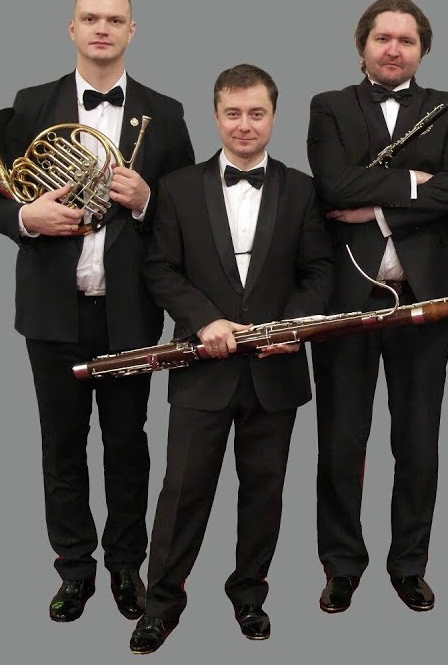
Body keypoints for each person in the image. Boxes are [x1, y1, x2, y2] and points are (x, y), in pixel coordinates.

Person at [0, 0, 194, 623]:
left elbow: (188, 214)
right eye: (90, 18)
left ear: (132, 31)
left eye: (114, 19)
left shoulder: (165, 112)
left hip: (129, 311)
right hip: (52, 312)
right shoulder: (30, 103)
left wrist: (147, 201)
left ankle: (126, 565)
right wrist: (27, 216)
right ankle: (74, 569)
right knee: (61, 445)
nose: (102, 28)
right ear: (71, 28)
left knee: (127, 444)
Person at [129, 65, 333, 654]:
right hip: (202, 367)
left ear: (274, 117)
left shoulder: (302, 189)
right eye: (233, 113)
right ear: (216, 116)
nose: (245, 125)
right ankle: (161, 604)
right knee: (182, 492)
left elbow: (319, 271)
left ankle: (249, 596)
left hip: (277, 368)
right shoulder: (176, 188)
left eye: (257, 113)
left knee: (264, 492)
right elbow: (159, 269)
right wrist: (205, 321)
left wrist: (292, 325)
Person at [306, 0, 448, 614]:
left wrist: (377, 209)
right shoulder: (329, 106)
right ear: (362, 46)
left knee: (419, 441)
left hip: (425, 298)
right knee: (341, 441)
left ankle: (409, 564)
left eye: (407, 40)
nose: (394, 49)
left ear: (423, 50)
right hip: (346, 301)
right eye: (383, 38)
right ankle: (341, 566)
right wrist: (413, 183)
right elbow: (333, 185)